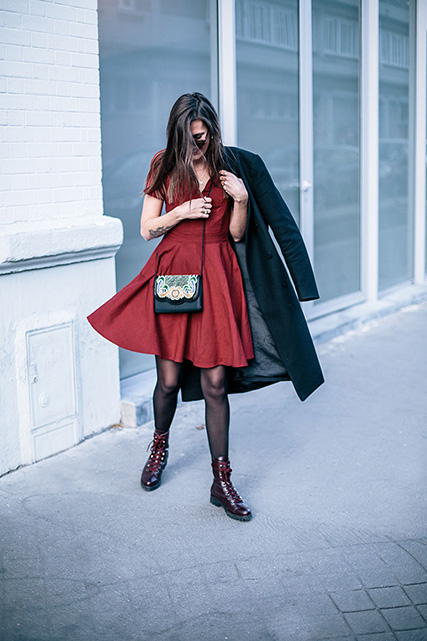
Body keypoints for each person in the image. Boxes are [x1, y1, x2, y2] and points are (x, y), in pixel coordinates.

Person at [88, 92, 324, 522]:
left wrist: (242, 200)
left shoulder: (231, 167)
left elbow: (236, 236)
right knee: (169, 380)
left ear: (212, 130)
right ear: (178, 134)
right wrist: (182, 212)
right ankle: (159, 446)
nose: (199, 146)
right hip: (174, 273)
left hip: (217, 279)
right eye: (192, 139)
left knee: (216, 383)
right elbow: (146, 228)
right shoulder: (163, 164)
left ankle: (222, 480)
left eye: (204, 137)